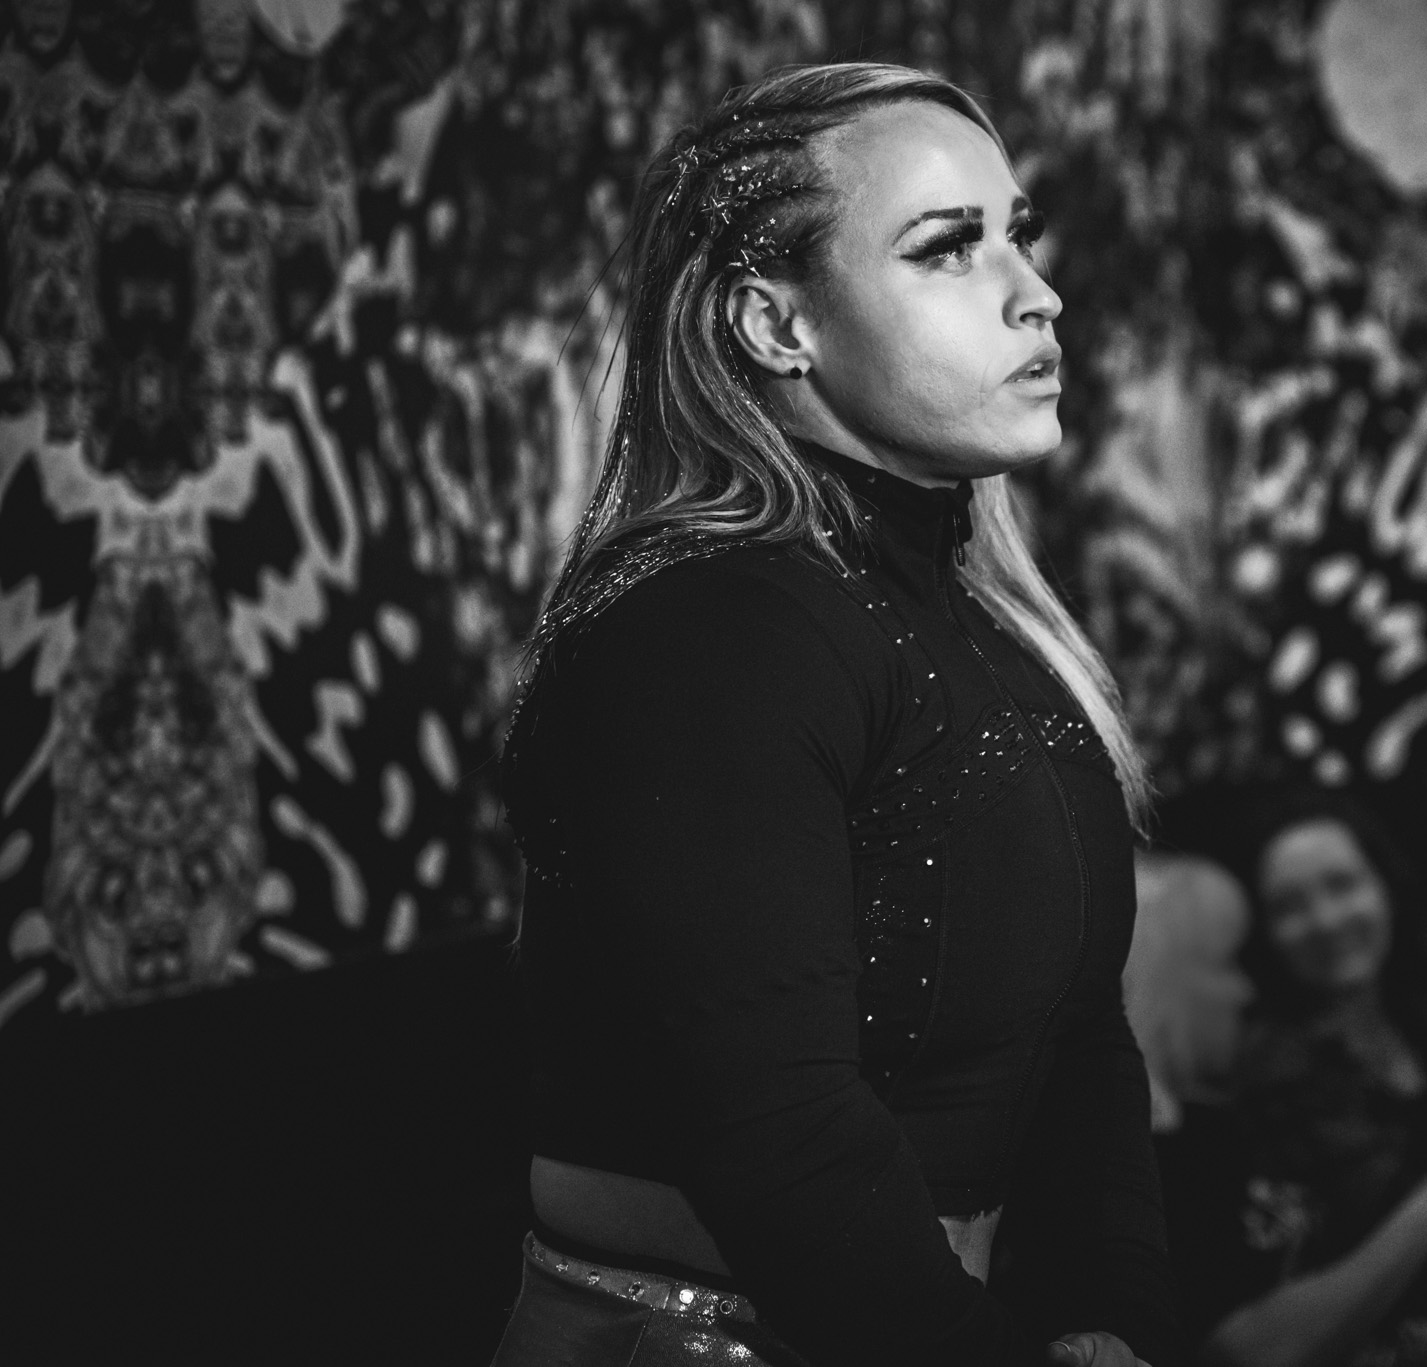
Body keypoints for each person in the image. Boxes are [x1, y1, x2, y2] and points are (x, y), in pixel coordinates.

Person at [493, 63, 1176, 1367]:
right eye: (948, 247)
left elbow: (1083, 1042)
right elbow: (779, 1131)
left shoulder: (994, 632)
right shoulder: (704, 629)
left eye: (1018, 233)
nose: (1036, 292)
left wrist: (1110, 1322)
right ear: (772, 323)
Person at [1139, 790, 1427, 1367]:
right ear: (1262, 933)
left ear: (1386, 887)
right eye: (1290, 905)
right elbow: (1425, 1222)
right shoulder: (1269, 1071)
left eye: (1343, 885)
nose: (1326, 919)